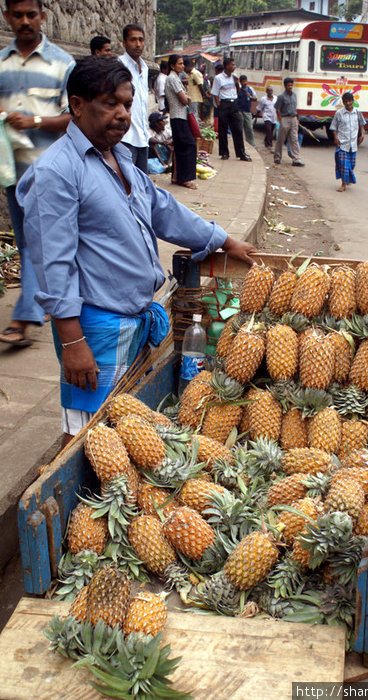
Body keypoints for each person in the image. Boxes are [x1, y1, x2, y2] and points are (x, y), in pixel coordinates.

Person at [16, 56, 257, 446]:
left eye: (127, 104)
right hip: (94, 329)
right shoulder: (57, 172)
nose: (121, 114)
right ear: (77, 106)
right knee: (85, 437)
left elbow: (163, 209)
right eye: (109, 104)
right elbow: (53, 263)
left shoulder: (119, 156)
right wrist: (74, 343)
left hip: (133, 321)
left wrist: (223, 240)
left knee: (121, 430)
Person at [0, 0, 74, 348]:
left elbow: (75, 116)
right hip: (12, 173)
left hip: (47, 174)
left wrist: (35, 121)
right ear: (7, 18)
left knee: (34, 244)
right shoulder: (1, 64)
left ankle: (23, 317)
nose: (25, 21)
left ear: (43, 17)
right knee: (30, 241)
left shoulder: (62, 63)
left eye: (32, 14)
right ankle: (43, 301)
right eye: (18, 15)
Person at [118, 24, 149, 174]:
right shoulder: (119, 65)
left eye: (141, 40)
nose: (138, 44)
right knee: (126, 184)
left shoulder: (145, 68)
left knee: (142, 185)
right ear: (124, 43)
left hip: (143, 137)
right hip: (126, 137)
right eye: (133, 40)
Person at [165, 54, 197, 189]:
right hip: (178, 116)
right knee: (189, 145)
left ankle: (176, 175)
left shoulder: (175, 78)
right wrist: (188, 98)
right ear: (172, 66)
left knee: (180, 146)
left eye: (183, 63)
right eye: (179, 64)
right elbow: (184, 100)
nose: (182, 66)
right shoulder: (173, 78)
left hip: (179, 116)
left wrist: (186, 97)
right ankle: (185, 178)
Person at [211, 57, 251, 162]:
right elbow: (215, 93)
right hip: (224, 103)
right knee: (223, 130)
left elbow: (237, 90)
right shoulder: (218, 78)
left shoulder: (234, 77)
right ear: (226, 66)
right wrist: (219, 105)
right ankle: (224, 153)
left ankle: (241, 153)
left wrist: (237, 83)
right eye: (232, 64)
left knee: (237, 129)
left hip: (234, 104)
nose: (234, 67)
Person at [330, 92, 365, 192]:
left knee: (351, 165)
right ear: (343, 102)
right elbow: (333, 127)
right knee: (344, 165)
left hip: (353, 144)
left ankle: (347, 179)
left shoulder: (357, 112)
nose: (348, 103)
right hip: (342, 143)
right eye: (345, 101)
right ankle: (343, 184)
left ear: (353, 101)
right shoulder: (339, 113)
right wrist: (335, 137)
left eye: (349, 101)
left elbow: (362, 124)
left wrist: (362, 134)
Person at [273, 78, 304, 167]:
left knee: (294, 139)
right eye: (288, 85)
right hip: (285, 119)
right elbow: (277, 109)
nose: (290, 87)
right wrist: (280, 120)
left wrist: (296, 118)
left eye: (291, 85)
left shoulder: (294, 95)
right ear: (285, 86)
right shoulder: (281, 96)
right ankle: (277, 157)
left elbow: (295, 107)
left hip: (293, 119)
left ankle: (296, 159)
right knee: (281, 139)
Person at [238, 75, 257, 149]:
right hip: (239, 111)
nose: (245, 83)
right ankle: (240, 145)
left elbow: (255, 99)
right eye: (243, 81)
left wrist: (250, 97)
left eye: (246, 81)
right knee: (239, 129)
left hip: (247, 111)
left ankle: (251, 144)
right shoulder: (238, 90)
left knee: (249, 127)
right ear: (240, 82)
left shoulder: (250, 89)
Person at [183, 57, 203, 123]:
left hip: (194, 98)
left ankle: (196, 131)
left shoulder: (195, 73)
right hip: (190, 98)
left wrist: (203, 97)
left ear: (187, 66)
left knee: (194, 115)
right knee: (191, 115)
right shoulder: (189, 74)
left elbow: (200, 85)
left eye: (184, 67)